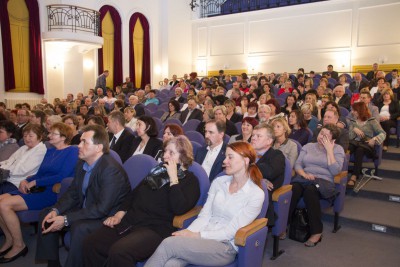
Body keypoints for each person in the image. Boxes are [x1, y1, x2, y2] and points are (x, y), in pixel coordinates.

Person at [83, 136, 200, 266]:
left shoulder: (191, 181)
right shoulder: (158, 171)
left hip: (155, 229)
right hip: (132, 221)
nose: (165, 156)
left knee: (120, 252)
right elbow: (134, 194)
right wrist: (119, 214)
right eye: (165, 151)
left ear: (183, 157)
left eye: (171, 153)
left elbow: (179, 208)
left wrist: (173, 179)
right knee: (91, 243)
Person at [144, 141, 264, 267]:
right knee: (171, 263)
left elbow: (230, 232)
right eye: (225, 156)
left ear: (245, 160)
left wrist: (197, 235)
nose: (224, 161)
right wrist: (188, 232)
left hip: (225, 247)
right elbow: (205, 215)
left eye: (230, 157)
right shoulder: (219, 182)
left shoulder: (255, 194)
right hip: (202, 236)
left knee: (169, 244)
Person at [35, 124, 131, 267]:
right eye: (80, 140)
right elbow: (73, 193)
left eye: (84, 142)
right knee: (47, 214)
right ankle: (53, 263)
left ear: (98, 147)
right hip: (88, 208)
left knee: (79, 227)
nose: (79, 145)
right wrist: (56, 210)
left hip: (108, 217)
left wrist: (66, 219)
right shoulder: (82, 162)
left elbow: (102, 208)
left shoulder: (111, 170)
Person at [0, 123, 78, 263]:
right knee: (0, 200)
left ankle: (19, 245)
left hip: (52, 191)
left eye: (53, 134)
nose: (49, 136)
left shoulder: (72, 151)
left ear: (63, 137)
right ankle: (10, 238)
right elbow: (40, 173)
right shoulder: (50, 151)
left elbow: (62, 176)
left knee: (5, 205)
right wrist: (26, 180)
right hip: (39, 187)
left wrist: (35, 183)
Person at [289, 124, 345, 247]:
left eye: (326, 136)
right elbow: (298, 164)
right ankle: (284, 224)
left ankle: (316, 232)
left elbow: (335, 171)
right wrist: (304, 174)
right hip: (305, 177)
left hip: (323, 181)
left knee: (310, 190)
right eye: (321, 133)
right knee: (294, 188)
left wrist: (330, 151)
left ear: (332, 140)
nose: (321, 137)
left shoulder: (338, 149)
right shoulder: (308, 146)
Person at [251, 123, 285, 226]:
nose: (253, 138)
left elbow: (269, 172)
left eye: (259, 136)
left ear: (269, 141)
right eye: (253, 135)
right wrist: (257, 178)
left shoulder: (277, 155)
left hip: (262, 195)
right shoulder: (246, 153)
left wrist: (251, 170)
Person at [347, 102, 386, 188]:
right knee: (349, 147)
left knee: (360, 149)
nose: (352, 112)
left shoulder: (372, 121)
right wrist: (354, 129)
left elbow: (383, 133)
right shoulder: (352, 121)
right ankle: (341, 171)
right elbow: (350, 137)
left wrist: (374, 139)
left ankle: (354, 176)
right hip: (354, 143)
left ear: (359, 111)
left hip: (366, 144)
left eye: (354, 110)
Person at [0, 124, 47, 194]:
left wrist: (4, 171)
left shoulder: (41, 151)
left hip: (17, 183)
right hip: (6, 178)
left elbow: (23, 170)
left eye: (30, 136)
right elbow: (9, 161)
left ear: (40, 137)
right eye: (25, 136)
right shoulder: (23, 147)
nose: (27, 138)